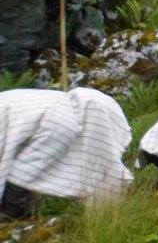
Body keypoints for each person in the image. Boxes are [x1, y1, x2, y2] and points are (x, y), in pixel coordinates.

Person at [0, 87, 132, 219]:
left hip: (48, 122)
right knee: (25, 177)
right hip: (56, 113)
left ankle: (14, 225)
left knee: (20, 180)